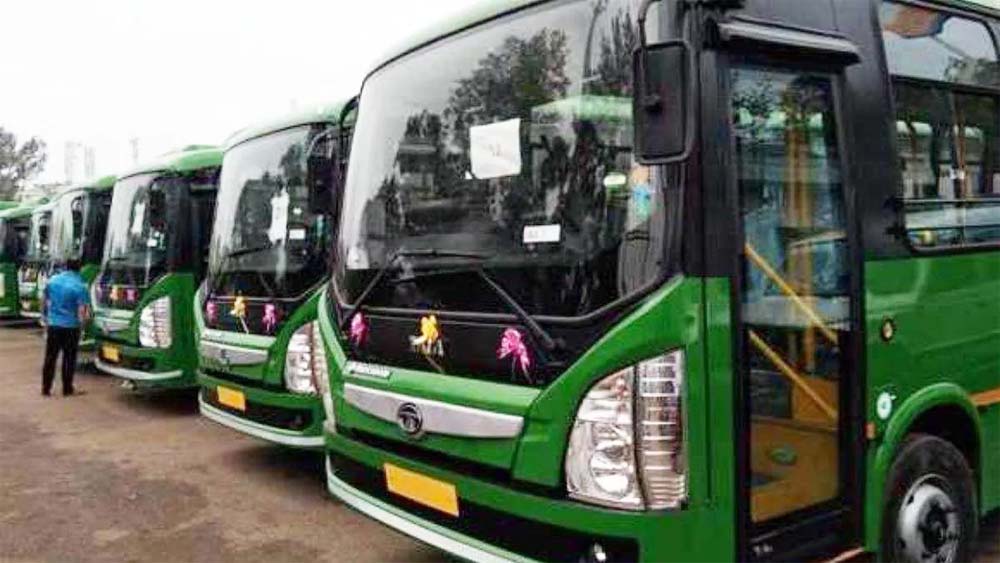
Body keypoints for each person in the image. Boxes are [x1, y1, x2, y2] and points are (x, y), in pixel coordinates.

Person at [41, 258, 91, 396]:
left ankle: (46, 388)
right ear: (79, 268)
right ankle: (67, 389)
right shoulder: (80, 286)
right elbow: (82, 312)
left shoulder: (52, 281)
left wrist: (44, 318)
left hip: (53, 325)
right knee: (69, 359)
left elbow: (44, 301)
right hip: (71, 327)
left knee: (50, 358)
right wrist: (83, 328)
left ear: (65, 266)